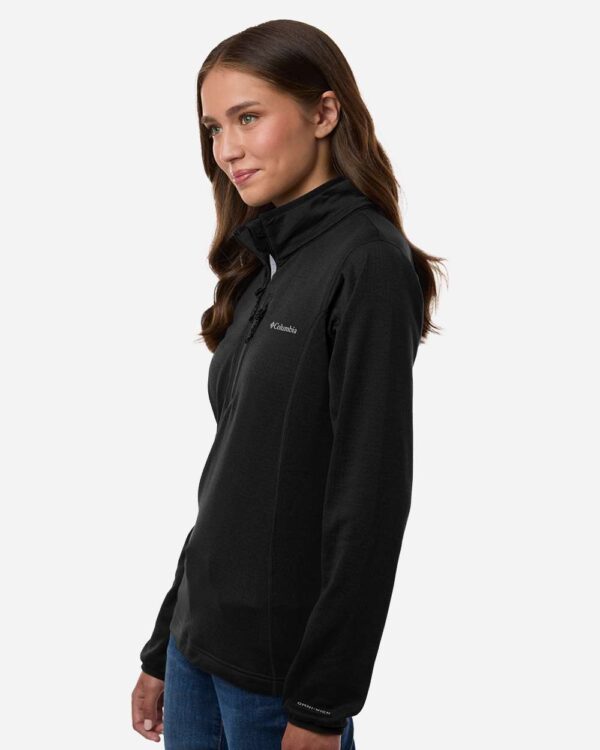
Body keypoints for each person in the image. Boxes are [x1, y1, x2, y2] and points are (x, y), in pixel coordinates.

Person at [131, 18, 445, 750]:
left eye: (248, 118)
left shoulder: (368, 263)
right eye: (214, 127)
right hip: (195, 652)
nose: (226, 150)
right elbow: (231, 481)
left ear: (324, 112)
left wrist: (322, 705)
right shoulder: (265, 263)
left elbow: (369, 505)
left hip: (277, 680)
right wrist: (163, 644)